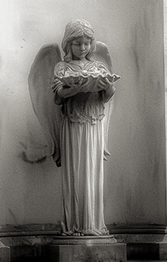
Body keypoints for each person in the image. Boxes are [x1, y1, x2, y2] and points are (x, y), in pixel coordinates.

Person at [51, 19, 118, 236]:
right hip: (72, 126)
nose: (83, 48)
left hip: (94, 126)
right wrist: (75, 89)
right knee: (76, 173)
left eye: (87, 43)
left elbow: (108, 96)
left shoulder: (99, 67)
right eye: (77, 43)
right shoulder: (62, 68)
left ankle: (94, 224)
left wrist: (107, 87)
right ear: (68, 45)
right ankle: (74, 225)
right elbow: (59, 97)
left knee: (92, 172)